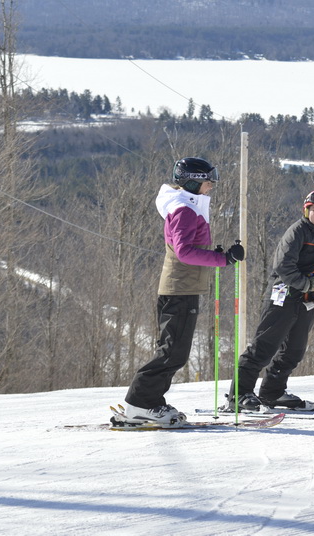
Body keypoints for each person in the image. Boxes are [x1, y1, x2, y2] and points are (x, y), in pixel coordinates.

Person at [119, 157, 245, 427]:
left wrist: (217, 255)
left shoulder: (188, 206)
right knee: (172, 353)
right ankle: (140, 404)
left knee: (173, 351)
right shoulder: (184, 210)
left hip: (183, 287)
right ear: (193, 181)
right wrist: (224, 260)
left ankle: (149, 402)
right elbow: (184, 252)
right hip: (179, 289)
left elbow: (190, 247)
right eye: (208, 181)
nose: (211, 186)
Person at [224, 189, 314, 412]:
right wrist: (309, 284)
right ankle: (239, 394)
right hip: (284, 293)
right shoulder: (297, 231)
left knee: (294, 350)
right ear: (307, 210)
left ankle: (273, 392)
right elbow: (283, 266)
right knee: (265, 345)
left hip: (308, 298)